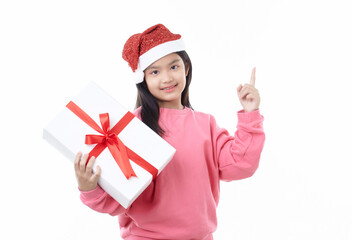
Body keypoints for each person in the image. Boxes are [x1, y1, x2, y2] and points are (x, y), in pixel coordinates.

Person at [74, 24, 265, 240]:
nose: (166, 78)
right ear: (143, 79)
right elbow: (115, 201)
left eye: (173, 67)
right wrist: (89, 187)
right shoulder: (132, 127)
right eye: (155, 71)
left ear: (186, 69)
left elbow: (240, 166)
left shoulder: (206, 125)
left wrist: (250, 115)